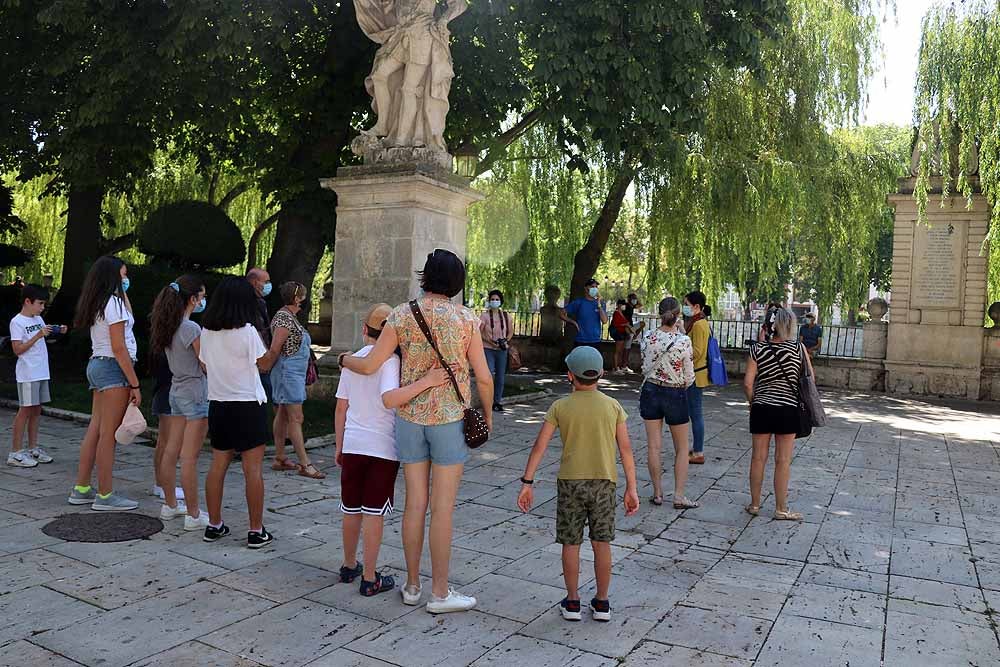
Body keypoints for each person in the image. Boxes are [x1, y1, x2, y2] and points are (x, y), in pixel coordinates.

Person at [339, 249, 493, 614]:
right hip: (450, 420)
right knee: (443, 509)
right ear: (456, 281)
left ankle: (411, 585)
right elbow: (483, 377)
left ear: (425, 277)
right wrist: (487, 414)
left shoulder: (401, 314)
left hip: (408, 419)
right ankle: (440, 592)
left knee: (414, 504)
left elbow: (373, 363)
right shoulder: (466, 319)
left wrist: (344, 358)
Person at [516, 346, 639, 623]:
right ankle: (602, 602)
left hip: (570, 483)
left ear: (570, 375)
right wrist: (631, 487)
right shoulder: (613, 406)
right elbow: (627, 450)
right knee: (602, 542)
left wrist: (528, 482)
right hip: (605, 483)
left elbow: (539, 446)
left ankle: (572, 601)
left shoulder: (560, 406)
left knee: (570, 543)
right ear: (602, 374)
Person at [335, 303, 451, 596]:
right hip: (382, 447)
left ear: (364, 331)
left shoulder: (352, 360)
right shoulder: (390, 362)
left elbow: (341, 407)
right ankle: (370, 577)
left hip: (353, 443)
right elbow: (391, 398)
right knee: (374, 512)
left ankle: (350, 564)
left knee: (350, 508)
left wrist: (340, 444)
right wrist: (427, 382)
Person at [199, 276, 275, 548]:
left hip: (219, 403)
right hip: (248, 405)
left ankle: (214, 524)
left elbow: (205, 366)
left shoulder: (205, 332)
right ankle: (256, 530)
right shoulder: (247, 332)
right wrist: (275, 345)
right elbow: (264, 364)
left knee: (217, 465)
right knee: (252, 469)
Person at [69, 257, 140, 510]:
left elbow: (127, 320)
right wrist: (135, 384)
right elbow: (119, 347)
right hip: (113, 367)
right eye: (123, 274)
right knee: (108, 435)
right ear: (113, 277)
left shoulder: (99, 301)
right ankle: (106, 495)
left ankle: (82, 488)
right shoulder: (115, 303)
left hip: (97, 365)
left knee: (96, 428)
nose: (126, 278)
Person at [150, 276, 210, 531]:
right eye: (202, 296)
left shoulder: (168, 324)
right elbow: (205, 363)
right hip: (194, 392)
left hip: (176, 391)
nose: (203, 301)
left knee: (170, 451)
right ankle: (194, 515)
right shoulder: (191, 329)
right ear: (193, 298)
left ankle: (170, 504)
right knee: (189, 457)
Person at [743, 307, 811, 521]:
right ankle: (781, 508)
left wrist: (754, 401)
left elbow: (747, 383)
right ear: (790, 325)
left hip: (761, 408)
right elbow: (810, 379)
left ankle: (754, 504)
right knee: (782, 460)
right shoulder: (798, 348)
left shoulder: (757, 350)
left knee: (758, 458)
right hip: (787, 409)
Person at [639, 297, 698, 509]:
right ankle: (679, 495)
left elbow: (644, 365)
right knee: (682, 448)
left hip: (651, 389)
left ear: (659, 312)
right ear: (678, 315)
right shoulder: (683, 341)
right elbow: (690, 378)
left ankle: (657, 493)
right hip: (674, 393)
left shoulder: (647, 337)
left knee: (654, 446)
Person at [265, 282, 323, 479]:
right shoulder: (283, 319)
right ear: (297, 298)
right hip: (287, 373)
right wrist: (264, 368)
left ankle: (280, 457)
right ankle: (305, 463)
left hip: (292, 374)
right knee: (296, 418)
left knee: (282, 414)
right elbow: (275, 349)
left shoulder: (290, 317)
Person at [7, 284, 63, 468]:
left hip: (41, 371)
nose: (42, 308)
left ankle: (32, 448)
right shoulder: (17, 322)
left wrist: (57, 330)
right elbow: (17, 349)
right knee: (25, 410)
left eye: (44, 304)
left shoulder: (38, 318)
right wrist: (38, 335)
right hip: (28, 373)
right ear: (27, 301)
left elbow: (44, 334)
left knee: (36, 410)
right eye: (39, 303)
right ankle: (15, 452)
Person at [148, 353, 182, 503]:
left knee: (164, 440)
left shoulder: (160, 337)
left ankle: (160, 483)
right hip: (169, 389)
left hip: (163, 389)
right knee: (168, 441)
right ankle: (164, 485)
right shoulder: (172, 337)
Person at [683, 291, 710, 465]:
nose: (684, 307)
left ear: (697, 306)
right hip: (694, 373)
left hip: (695, 374)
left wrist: (682, 352)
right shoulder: (696, 322)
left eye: (687, 304)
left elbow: (698, 351)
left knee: (696, 414)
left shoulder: (699, 324)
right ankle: (696, 448)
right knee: (694, 412)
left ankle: (699, 451)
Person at [479, 289, 511, 413]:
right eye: (492, 299)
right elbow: (478, 331)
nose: (495, 301)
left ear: (501, 301)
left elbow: (510, 331)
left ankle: (497, 401)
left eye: (497, 299)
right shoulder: (484, 316)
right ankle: (487, 401)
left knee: (500, 377)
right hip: (488, 349)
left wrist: (505, 341)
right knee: (489, 375)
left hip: (502, 350)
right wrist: (489, 341)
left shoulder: (506, 316)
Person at [561, 278, 609, 351]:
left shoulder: (601, 303)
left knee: (594, 362)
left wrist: (599, 304)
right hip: (580, 340)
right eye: (592, 287)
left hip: (595, 340)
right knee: (579, 362)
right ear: (586, 288)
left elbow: (605, 321)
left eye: (596, 287)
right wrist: (573, 322)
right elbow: (561, 313)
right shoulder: (579, 302)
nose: (595, 289)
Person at [623, 293, 645, 373]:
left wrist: (636, 299)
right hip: (627, 328)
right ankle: (624, 366)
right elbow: (624, 319)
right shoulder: (626, 306)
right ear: (629, 299)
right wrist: (627, 331)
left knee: (642, 323)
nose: (635, 300)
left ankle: (634, 336)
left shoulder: (631, 306)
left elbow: (641, 305)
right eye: (633, 298)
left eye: (635, 298)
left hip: (631, 327)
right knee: (627, 348)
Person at [609, 299, 630, 374]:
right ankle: (615, 368)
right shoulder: (616, 313)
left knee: (620, 351)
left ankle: (618, 367)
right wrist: (625, 324)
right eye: (622, 304)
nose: (624, 306)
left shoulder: (621, 313)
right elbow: (616, 324)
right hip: (618, 333)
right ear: (619, 305)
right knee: (618, 351)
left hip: (621, 333)